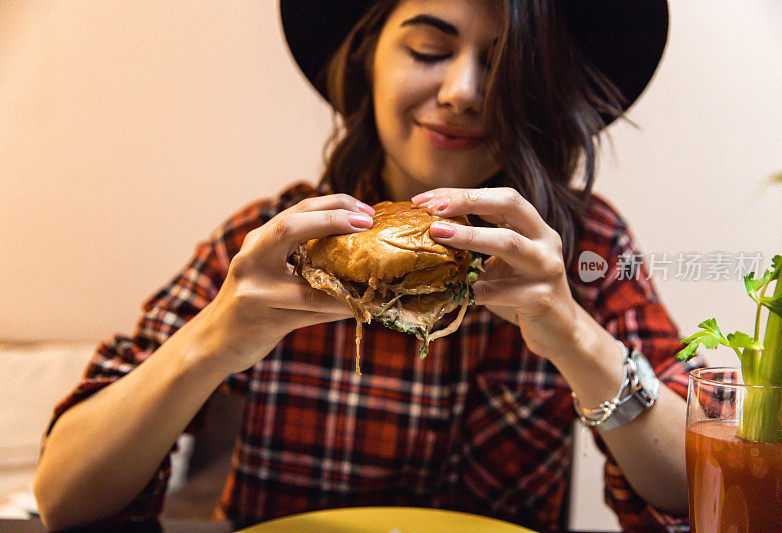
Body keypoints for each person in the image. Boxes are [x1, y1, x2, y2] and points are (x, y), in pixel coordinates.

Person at [34, 1, 700, 531]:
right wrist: (215, 338)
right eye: (430, 50)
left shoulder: (582, 247)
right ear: (367, 60)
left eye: (506, 64)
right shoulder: (276, 245)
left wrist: (575, 336)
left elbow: (698, 491)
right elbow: (66, 497)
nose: (464, 92)